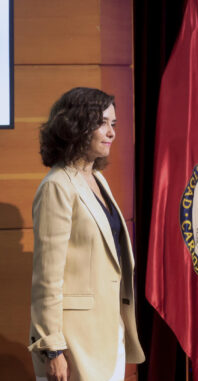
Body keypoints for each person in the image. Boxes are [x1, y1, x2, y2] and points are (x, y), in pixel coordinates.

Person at [28, 87, 145, 380]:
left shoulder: (97, 179)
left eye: (113, 124)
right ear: (75, 126)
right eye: (102, 123)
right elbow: (47, 278)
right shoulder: (57, 185)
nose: (111, 133)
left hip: (108, 332)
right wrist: (52, 348)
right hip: (74, 341)